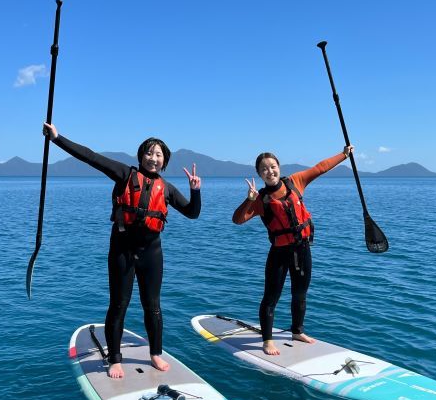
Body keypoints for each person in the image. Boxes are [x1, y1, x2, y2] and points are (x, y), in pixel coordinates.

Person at [43, 123, 202, 378]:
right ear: (141, 156)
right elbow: (91, 157)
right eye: (149, 153)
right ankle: (115, 359)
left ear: (164, 161)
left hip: (152, 253)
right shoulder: (124, 174)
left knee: (153, 307)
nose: (153, 158)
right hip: (122, 251)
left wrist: (195, 191)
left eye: (159, 154)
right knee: (119, 304)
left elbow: (193, 213)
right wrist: (57, 138)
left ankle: (156, 354)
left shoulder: (167, 189)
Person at [232, 146, 354, 355]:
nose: (269, 171)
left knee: (300, 293)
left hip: (302, 249)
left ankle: (297, 331)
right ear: (259, 174)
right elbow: (238, 219)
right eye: (264, 169)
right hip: (279, 253)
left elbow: (320, 168)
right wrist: (250, 199)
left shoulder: (296, 181)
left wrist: (344, 155)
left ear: (279, 167)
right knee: (271, 298)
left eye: (272, 167)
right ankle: (268, 340)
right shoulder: (260, 199)